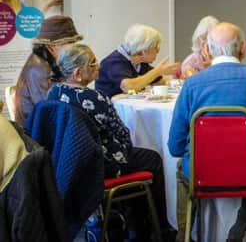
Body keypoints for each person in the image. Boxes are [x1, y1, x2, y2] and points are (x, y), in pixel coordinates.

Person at [168, 22, 246, 242]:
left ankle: (183, 234)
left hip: (200, 173)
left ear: (207, 50)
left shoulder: (191, 84)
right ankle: (240, 228)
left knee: (181, 167)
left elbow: (174, 147)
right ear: (243, 48)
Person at [48, 43, 169, 238]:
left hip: (68, 164)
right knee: (151, 158)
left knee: (137, 157)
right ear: (78, 74)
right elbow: (122, 134)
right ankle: (156, 228)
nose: (99, 66)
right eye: (93, 63)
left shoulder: (53, 93)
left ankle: (131, 224)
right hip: (99, 165)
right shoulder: (96, 98)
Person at [14, 15, 83, 125]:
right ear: (52, 45)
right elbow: (50, 110)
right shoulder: (39, 69)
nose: (73, 49)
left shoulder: (48, 61)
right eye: (69, 44)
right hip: (35, 132)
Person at [95, 24, 180, 98]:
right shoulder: (114, 62)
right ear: (144, 50)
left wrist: (181, 82)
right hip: (111, 112)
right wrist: (157, 71)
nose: (158, 51)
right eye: (155, 47)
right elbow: (129, 87)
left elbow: (159, 82)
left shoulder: (140, 63)